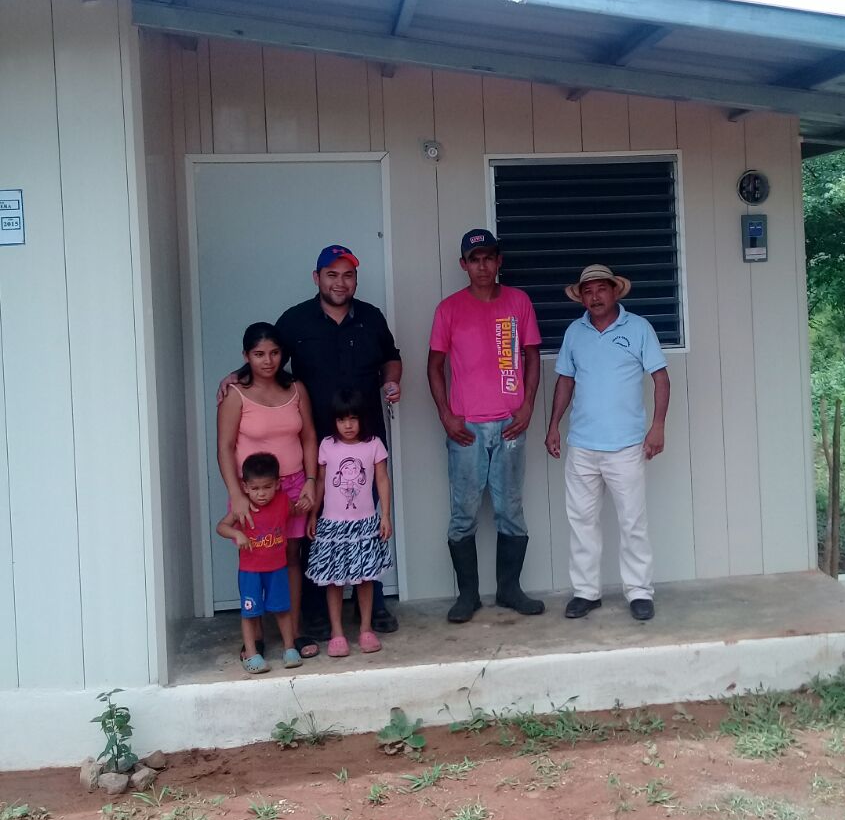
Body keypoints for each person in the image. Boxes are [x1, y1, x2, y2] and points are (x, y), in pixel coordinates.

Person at [221, 245, 402, 634]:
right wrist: (236, 376)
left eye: (348, 275)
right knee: (314, 529)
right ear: (316, 278)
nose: (340, 283)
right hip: (317, 445)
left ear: (356, 279)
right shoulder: (295, 320)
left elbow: (392, 356)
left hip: (364, 442)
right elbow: (267, 357)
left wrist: (391, 381)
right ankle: (318, 613)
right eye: (332, 275)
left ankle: (374, 608)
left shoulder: (371, 317)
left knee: (366, 521)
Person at [428, 228, 544, 623]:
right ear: (464, 264)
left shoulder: (518, 302)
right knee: (463, 513)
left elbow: (532, 356)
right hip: (467, 430)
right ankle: (468, 596)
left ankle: (510, 590)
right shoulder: (448, 309)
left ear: (499, 262)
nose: (482, 266)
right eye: (474, 260)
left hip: (510, 424)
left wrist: (527, 407)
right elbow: (434, 366)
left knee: (510, 510)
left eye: (489, 258)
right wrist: (446, 414)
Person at [545, 264, 670, 622]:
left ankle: (639, 592)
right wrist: (553, 425)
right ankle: (586, 592)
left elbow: (661, 379)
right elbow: (565, 381)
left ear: (615, 291)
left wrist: (658, 426)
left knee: (632, 522)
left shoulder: (639, 328)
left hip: (626, 447)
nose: (595, 296)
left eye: (601, 289)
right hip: (582, 446)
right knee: (582, 522)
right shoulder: (575, 332)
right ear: (581, 297)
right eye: (588, 291)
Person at [216, 322, 320, 659]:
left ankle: (294, 631)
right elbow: (225, 447)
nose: (268, 361)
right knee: (255, 558)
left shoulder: (296, 389)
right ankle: (255, 636)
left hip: (293, 486)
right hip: (254, 491)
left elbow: (308, 437)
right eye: (259, 354)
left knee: (290, 557)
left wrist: (310, 480)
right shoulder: (235, 394)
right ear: (246, 355)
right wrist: (237, 494)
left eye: (274, 353)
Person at [305, 388, 393, 657]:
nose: (348, 425)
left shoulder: (373, 444)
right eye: (342, 419)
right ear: (334, 421)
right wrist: (313, 514)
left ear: (362, 418)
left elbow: (382, 480)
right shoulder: (327, 446)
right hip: (332, 526)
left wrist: (385, 515)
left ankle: (366, 629)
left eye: (353, 418)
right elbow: (321, 482)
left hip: (365, 525)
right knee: (334, 581)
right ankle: (337, 633)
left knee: (365, 579)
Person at [216, 452, 303, 674]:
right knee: (250, 613)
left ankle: (289, 648)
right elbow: (221, 527)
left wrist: (306, 503)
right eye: (255, 488)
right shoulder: (242, 507)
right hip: (250, 572)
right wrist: (237, 534)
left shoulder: (283, 501)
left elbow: (296, 510)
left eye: (267, 487)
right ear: (245, 487)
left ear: (278, 484)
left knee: (282, 609)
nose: (261, 493)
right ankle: (252, 653)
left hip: (277, 569)